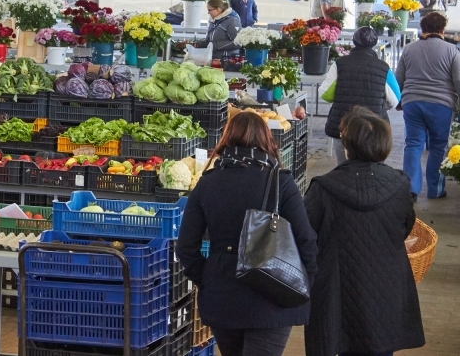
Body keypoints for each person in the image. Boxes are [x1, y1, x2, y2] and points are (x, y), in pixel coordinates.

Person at [178, 112, 318, 356]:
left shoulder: (207, 182)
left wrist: (209, 277)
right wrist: (303, 282)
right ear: (266, 140)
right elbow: (306, 240)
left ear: (226, 139)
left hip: (222, 296)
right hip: (273, 298)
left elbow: (186, 247)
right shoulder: (280, 182)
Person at [304, 107, 425, 356]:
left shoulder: (323, 188)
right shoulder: (400, 184)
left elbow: (306, 236)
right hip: (385, 287)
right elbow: (405, 227)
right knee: (381, 347)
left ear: (347, 146)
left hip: (337, 290)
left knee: (339, 343)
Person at [396, 11, 460, 199]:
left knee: (413, 144)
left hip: (412, 103)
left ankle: (411, 190)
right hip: (441, 105)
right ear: (442, 29)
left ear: (422, 28)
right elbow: (458, 80)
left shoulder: (409, 49)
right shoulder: (452, 51)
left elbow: (399, 78)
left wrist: (399, 102)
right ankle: (435, 190)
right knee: (438, 147)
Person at [319, 26, 401, 164]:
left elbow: (325, 94)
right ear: (374, 43)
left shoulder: (340, 64)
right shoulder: (383, 67)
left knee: (344, 169)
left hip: (343, 126)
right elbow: (395, 99)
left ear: (354, 41)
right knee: (373, 169)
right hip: (373, 129)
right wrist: (380, 105)